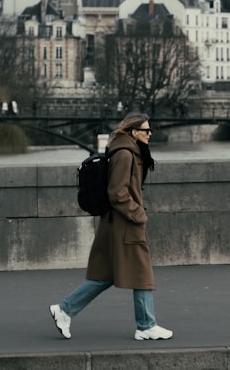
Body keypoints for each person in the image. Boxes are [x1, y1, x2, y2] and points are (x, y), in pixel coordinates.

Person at [49, 112, 172, 341]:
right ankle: (146, 325)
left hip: (115, 221)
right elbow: (117, 192)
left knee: (105, 275)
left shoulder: (125, 150)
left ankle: (65, 309)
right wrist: (137, 215)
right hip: (126, 222)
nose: (150, 134)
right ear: (134, 132)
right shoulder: (125, 154)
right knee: (141, 272)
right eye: (146, 130)